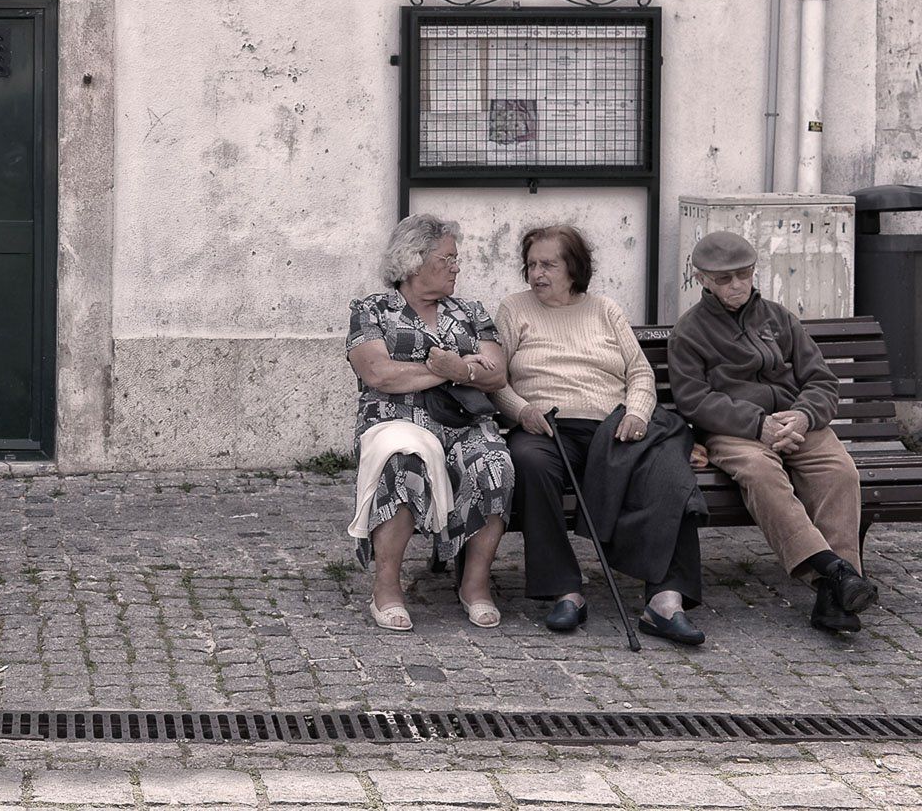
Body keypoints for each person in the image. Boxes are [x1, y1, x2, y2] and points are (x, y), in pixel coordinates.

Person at [494, 225, 708, 645]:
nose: (537, 273)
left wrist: (639, 413)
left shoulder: (604, 309)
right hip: (546, 425)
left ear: (573, 267)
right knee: (531, 462)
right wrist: (522, 410)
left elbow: (640, 371)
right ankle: (564, 590)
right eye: (532, 264)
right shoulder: (513, 309)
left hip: (612, 425)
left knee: (669, 472)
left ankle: (666, 601)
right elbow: (495, 380)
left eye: (548, 264)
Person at [669, 230, 880, 635]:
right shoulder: (690, 332)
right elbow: (695, 401)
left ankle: (832, 595)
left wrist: (802, 416)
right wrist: (758, 425)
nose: (737, 285)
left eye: (744, 274)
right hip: (734, 431)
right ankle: (836, 572)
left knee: (839, 471)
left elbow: (821, 380)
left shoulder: (779, 318)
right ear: (703, 279)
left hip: (796, 423)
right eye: (725, 278)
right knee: (761, 474)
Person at [345, 214, 514, 631]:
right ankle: (386, 588)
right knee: (404, 462)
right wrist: (451, 368)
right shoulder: (372, 311)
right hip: (394, 418)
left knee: (494, 462)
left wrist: (460, 370)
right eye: (448, 258)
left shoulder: (470, 312)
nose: (457, 266)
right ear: (414, 260)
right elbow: (379, 375)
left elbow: (497, 374)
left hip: (463, 424)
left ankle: (474, 585)